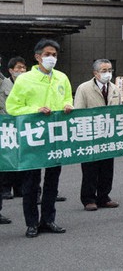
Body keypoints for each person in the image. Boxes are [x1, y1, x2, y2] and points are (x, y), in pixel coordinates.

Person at [5, 39, 73, 238]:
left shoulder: (62, 78)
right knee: (31, 184)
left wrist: (68, 105)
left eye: (54, 55)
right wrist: (35, 110)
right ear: (37, 57)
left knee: (53, 182)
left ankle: (48, 220)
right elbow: (12, 107)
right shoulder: (25, 80)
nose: (51, 58)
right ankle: (32, 223)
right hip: (33, 139)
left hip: (55, 137)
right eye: (48, 54)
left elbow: (68, 97)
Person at [73, 59, 123, 212]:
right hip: (90, 134)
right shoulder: (84, 88)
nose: (107, 73)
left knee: (107, 167)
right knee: (90, 168)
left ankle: (103, 196)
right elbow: (78, 111)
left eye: (110, 70)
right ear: (95, 73)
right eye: (104, 70)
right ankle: (88, 198)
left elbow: (119, 111)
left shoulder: (115, 88)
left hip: (108, 133)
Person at [0, 57, 26, 202]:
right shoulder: (4, 84)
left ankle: (19, 187)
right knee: (7, 158)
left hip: (23, 125)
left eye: (23, 68)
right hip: (7, 125)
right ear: (10, 70)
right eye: (18, 68)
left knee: (21, 157)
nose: (21, 71)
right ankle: (5, 188)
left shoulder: (27, 84)